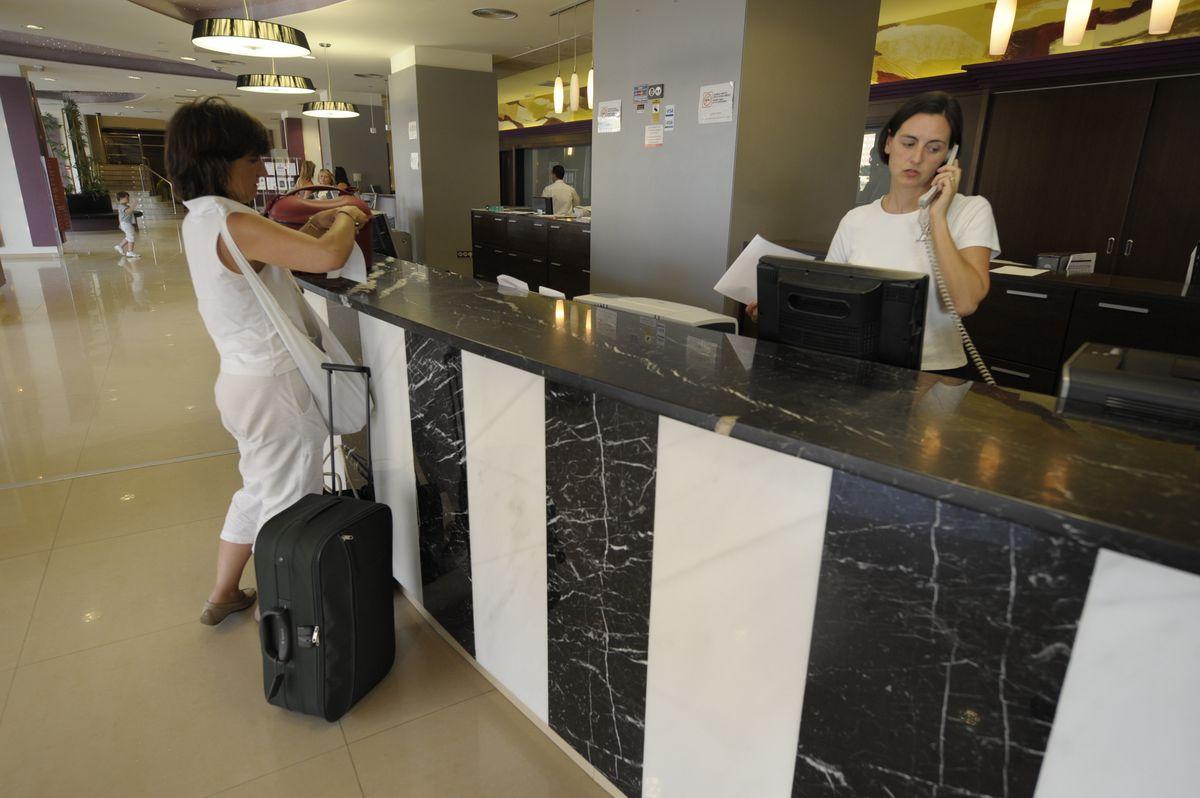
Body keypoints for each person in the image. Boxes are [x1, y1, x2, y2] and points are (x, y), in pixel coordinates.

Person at [166, 98, 370, 625]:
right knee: (289, 507)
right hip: (276, 389)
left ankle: (224, 592)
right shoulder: (232, 220)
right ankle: (290, 618)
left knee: (259, 487)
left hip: (241, 383)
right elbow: (327, 258)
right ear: (223, 159)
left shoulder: (202, 220)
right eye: (255, 159)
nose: (262, 171)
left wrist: (312, 227)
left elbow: (266, 261)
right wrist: (348, 213)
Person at [750, 91, 999, 377]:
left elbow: (965, 303)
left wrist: (937, 217)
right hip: (857, 367)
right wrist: (777, 309)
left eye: (933, 148)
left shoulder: (971, 210)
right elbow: (830, 300)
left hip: (935, 374)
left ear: (949, 156)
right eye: (909, 143)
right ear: (889, 142)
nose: (916, 158)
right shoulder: (856, 220)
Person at [112, 191, 140, 258]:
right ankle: (130, 252)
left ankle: (119, 246)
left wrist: (120, 223)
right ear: (121, 199)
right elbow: (128, 211)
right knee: (131, 237)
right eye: (126, 198)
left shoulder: (124, 206)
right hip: (126, 224)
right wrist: (134, 205)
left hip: (126, 223)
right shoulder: (122, 206)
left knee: (129, 236)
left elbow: (120, 216)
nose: (128, 199)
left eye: (128, 197)